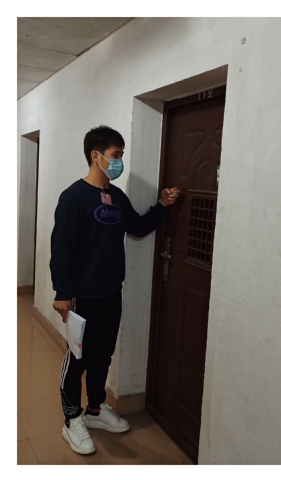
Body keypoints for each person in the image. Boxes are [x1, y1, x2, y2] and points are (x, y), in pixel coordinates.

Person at [50, 125, 181, 455]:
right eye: (116, 155)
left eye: (121, 154)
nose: (120, 160)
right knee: (78, 357)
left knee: (102, 354)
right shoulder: (74, 197)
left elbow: (137, 227)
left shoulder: (117, 197)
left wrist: (162, 206)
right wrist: (62, 292)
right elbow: (61, 249)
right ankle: (72, 418)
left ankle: (95, 409)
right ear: (96, 156)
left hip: (110, 292)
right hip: (81, 295)